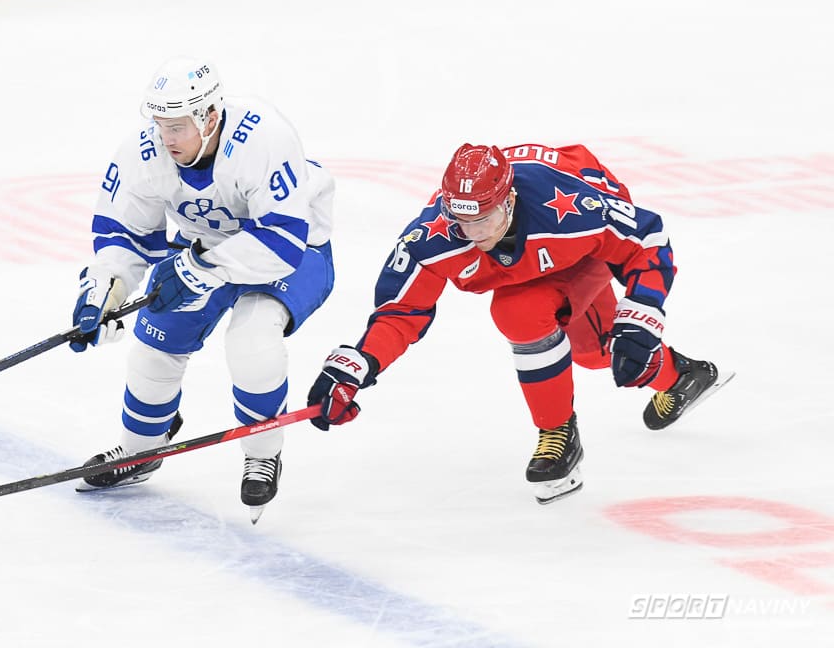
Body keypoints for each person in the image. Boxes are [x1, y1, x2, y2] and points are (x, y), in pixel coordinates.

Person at [306, 142, 732, 504]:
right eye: (463, 222)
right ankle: (678, 380)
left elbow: (647, 239)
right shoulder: (433, 237)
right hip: (536, 256)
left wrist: (642, 316)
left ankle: (566, 429)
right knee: (590, 351)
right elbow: (400, 312)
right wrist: (360, 363)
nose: (474, 234)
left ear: (509, 201)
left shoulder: (573, 211)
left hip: (576, 247)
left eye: (485, 220)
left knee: (556, 329)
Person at [69, 55, 335, 522]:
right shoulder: (144, 152)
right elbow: (122, 232)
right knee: (154, 343)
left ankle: (262, 451)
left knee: (252, 340)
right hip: (206, 247)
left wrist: (196, 270)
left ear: (209, 117)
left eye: (177, 127)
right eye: (159, 124)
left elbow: (281, 241)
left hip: (294, 248)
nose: (165, 138)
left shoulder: (263, 138)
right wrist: (104, 289)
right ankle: (139, 451)